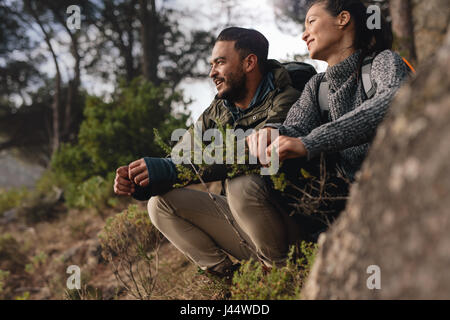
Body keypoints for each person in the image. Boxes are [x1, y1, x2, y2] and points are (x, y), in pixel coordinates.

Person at [113, 27, 308, 279]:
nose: (211, 73)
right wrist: (143, 180)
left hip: (294, 231)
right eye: (211, 64)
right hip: (248, 228)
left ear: (249, 62)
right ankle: (230, 280)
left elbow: (256, 153)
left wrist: (172, 170)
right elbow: (179, 158)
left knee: (242, 183)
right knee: (159, 204)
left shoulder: (287, 97)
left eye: (220, 62)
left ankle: (284, 278)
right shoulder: (218, 110)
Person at [246, 0, 409, 255]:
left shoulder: (383, 61)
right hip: (346, 201)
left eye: (311, 21)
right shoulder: (316, 86)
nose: (304, 34)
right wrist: (273, 132)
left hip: (398, 186)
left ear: (343, 19)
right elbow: (296, 128)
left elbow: (391, 102)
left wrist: (311, 142)